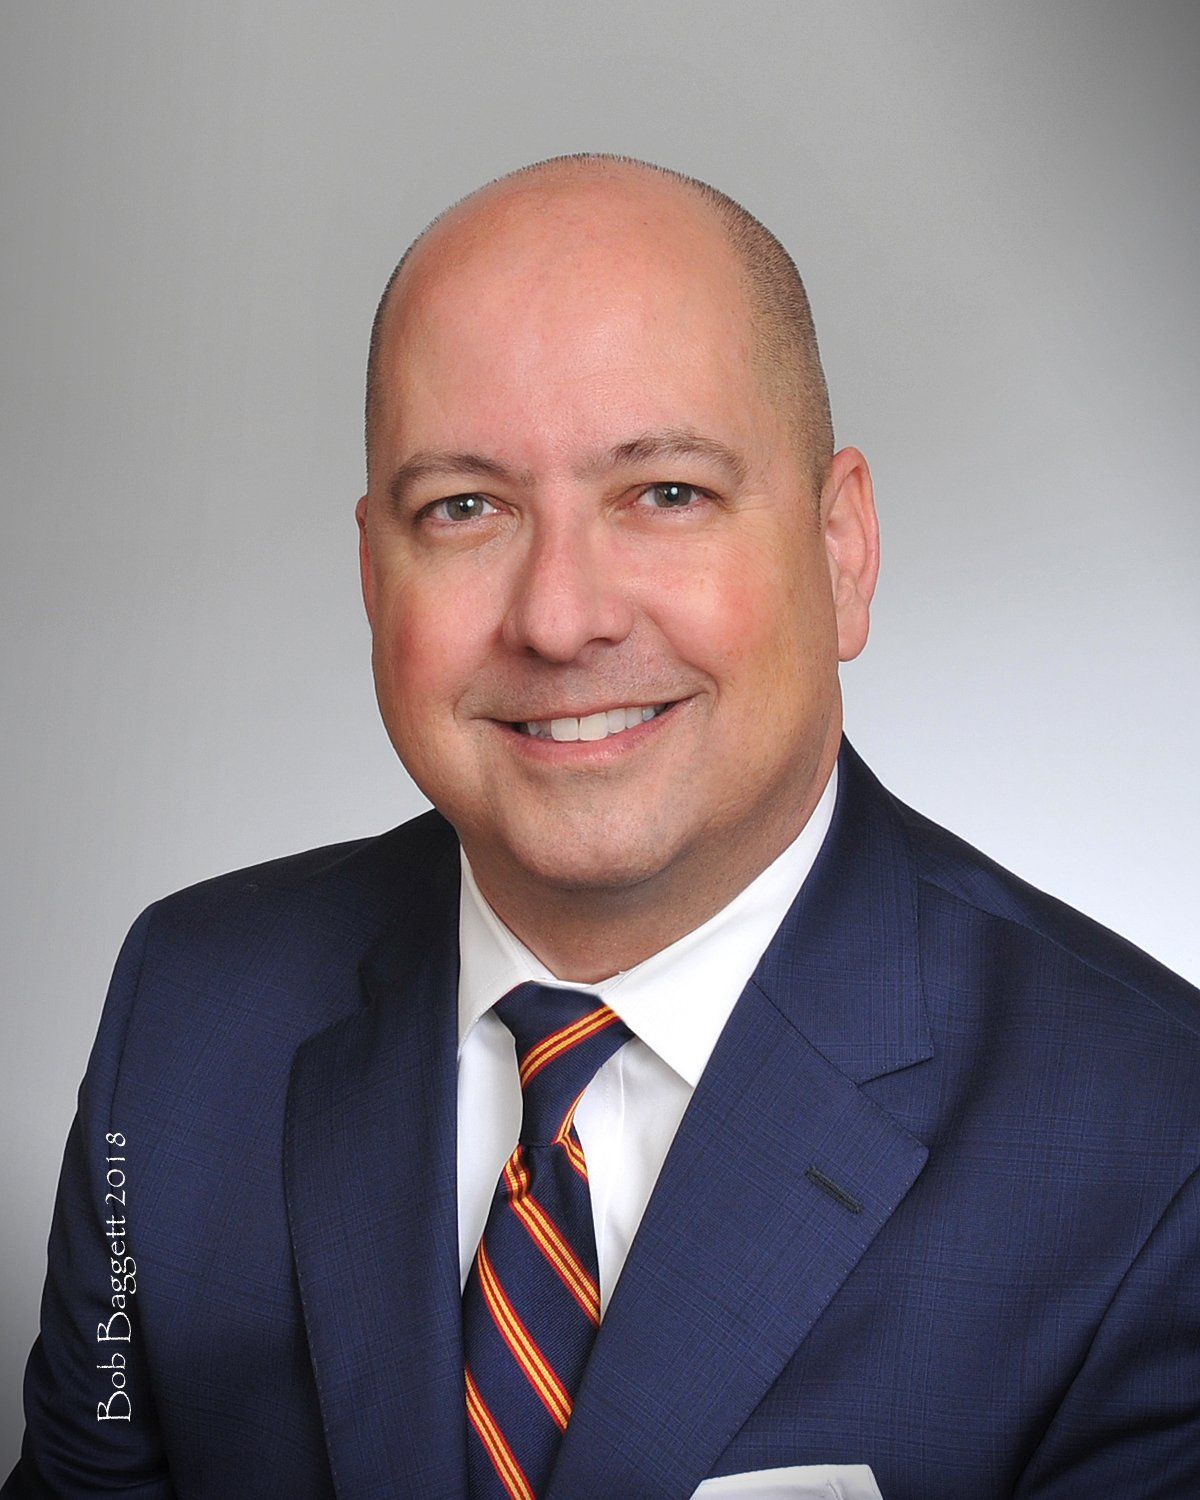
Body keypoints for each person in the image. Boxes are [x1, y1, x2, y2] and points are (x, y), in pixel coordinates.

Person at [5, 153, 1199, 1500]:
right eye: (463, 508)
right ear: (369, 574)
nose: (560, 617)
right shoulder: (190, 1011)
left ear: (842, 550)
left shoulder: (1158, 1148)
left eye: (665, 493)